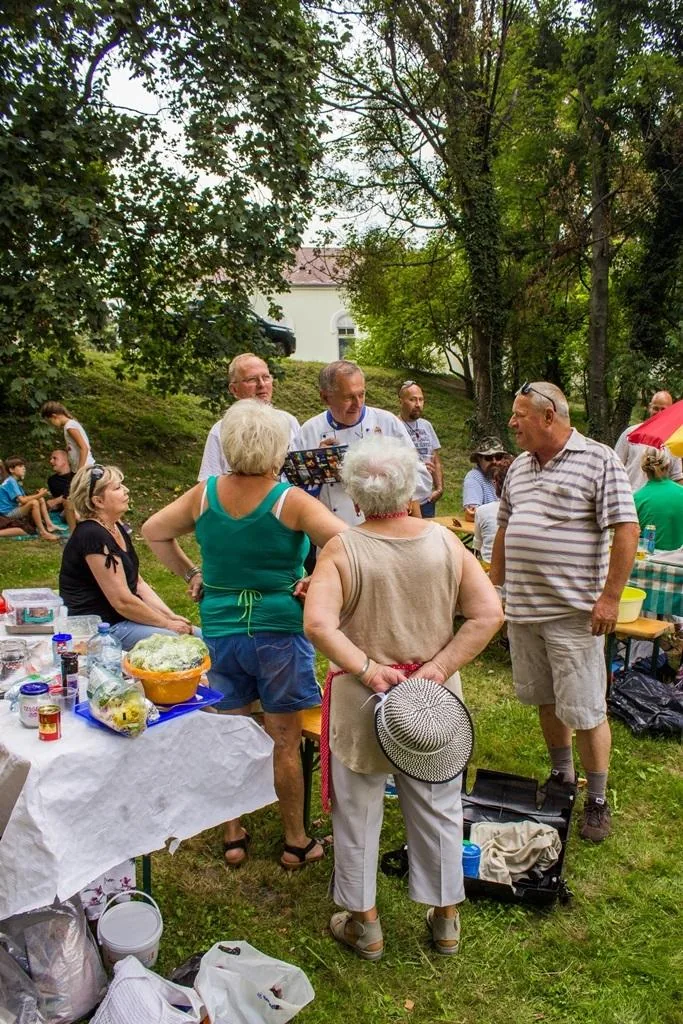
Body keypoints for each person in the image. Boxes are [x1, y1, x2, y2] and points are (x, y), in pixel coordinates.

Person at [303, 436, 503, 959]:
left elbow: (318, 624)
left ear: (352, 492)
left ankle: (365, 925)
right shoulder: (444, 543)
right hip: (432, 703)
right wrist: (437, 668)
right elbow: (488, 613)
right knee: (437, 806)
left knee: (358, 810)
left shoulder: (342, 549)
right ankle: (445, 922)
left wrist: (368, 669)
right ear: (410, 484)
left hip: (365, 699)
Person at [143, 400, 347, 869]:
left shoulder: (204, 494)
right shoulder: (289, 499)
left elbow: (154, 531)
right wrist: (316, 578)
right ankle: (295, 840)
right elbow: (346, 542)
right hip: (278, 630)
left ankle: (234, 833)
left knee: (231, 735)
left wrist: (192, 573)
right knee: (284, 740)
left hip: (221, 630)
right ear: (278, 447)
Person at [489, 381, 639, 843]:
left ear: (548, 416)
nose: (512, 424)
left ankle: (596, 798)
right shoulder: (518, 466)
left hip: (575, 613)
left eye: (520, 415)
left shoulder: (598, 459)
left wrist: (610, 598)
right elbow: (505, 526)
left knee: (588, 707)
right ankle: (562, 776)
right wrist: (495, 588)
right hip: (526, 610)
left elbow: (626, 529)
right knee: (546, 698)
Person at [59, 464, 196, 648]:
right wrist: (166, 624)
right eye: (117, 488)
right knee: (188, 646)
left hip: (124, 620)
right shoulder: (92, 534)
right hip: (104, 629)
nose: (126, 490)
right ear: (98, 501)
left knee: (201, 637)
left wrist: (169, 615)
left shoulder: (115, 528)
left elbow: (138, 584)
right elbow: (122, 601)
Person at [294, 360, 432, 526]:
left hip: (385, 529)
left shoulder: (387, 422)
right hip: (333, 531)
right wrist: (318, 468)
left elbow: (422, 479)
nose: (358, 404)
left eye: (361, 395)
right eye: (348, 397)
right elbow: (291, 494)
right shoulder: (309, 431)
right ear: (325, 397)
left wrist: (384, 475)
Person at [198, 352, 299, 480]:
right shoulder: (220, 430)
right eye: (252, 379)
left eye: (266, 377)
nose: (262, 384)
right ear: (234, 389)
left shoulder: (289, 422)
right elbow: (207, 483)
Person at [614, 390, 683, 492]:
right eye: (655, 408)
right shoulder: (631, 433)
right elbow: (615, 465)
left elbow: (676, 477)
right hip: (629, 497)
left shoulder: (673, 440)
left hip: (656, 502)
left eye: (663, 409)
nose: (659, 413)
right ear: (649, 408)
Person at [397, 380, 444, 518]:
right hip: (405, 500)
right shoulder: (394, 425)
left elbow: (436, 459)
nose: (418, 404)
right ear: (401, 401)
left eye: (421, 400)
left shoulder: (426, 426)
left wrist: (439, 488)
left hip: (427, 499)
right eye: (412, 400)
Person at [0, 457, 60, 541]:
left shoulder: (14, 481)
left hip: (14, 508)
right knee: (34, 503)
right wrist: (38, 495)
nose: (24, 468)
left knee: (40, 499)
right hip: (7, 513)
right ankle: (43, 532)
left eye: (23, 466)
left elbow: (23, 499)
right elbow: (23, 500)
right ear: (11, 470)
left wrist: (39, 495)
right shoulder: (11, 481)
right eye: (20, 466)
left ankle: (49, 524)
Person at [633, 450, 683, 551]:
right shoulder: (681, 492)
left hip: (651, 561)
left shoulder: (636, 498)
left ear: (644, 469)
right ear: (668, 466)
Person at [473, 457, 513, 564]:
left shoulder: (482, 511)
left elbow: (477, 546)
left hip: (488, 569)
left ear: (495, 483)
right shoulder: (528, 512)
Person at [40, 401, 95, 473]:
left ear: (54, 416)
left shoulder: (70, 426)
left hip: (85, 469)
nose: (51, 424)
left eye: (50, 421)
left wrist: (80, 471)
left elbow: (84, 448)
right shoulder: (69, 426)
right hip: (79, 469)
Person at [462, 438, 509, 520]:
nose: (494, 461)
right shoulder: (474, 477)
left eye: (498, 457)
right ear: (479, 459)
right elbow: (470, 515)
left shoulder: (506, 475)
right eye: (489, 457)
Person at [46, 449, 76, 533]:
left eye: (55, 458)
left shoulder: (76, 476)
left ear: (65, 460)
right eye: (51, 458)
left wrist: (56, 500)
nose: (51, 461)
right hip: (66, 510)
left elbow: (76, 494)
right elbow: (57, 503)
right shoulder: (52, 480)